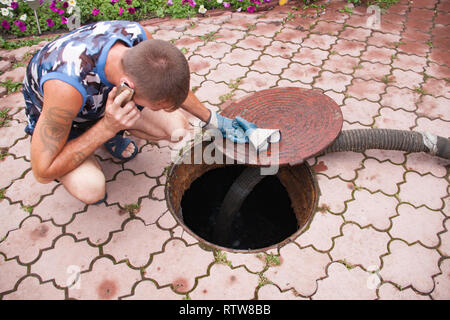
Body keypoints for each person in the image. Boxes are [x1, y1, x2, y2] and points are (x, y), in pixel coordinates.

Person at [22, 20, 253, 204]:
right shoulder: (66, 86)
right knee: (91, 188)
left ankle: (112, 132)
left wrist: (213, 120)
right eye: (156, 106)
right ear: (128, 87)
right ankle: (103, 135)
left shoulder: (139, 40)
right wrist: (106, 128)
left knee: (178, 128)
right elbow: (42, 171)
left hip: (103, 106)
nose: (159, 110)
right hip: (68, 119)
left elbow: (170, 87)